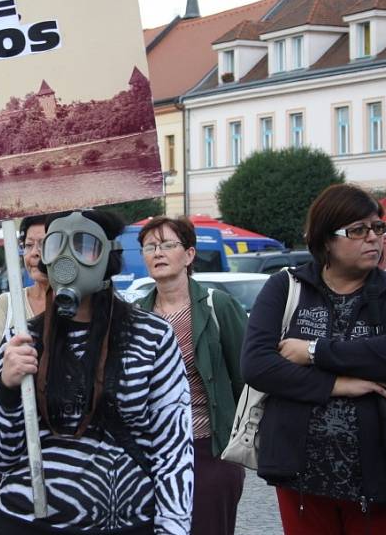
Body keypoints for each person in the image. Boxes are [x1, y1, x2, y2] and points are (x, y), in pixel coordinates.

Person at [0, 209, 193, 534]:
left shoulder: (152, 337)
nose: (69, 258)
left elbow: (173, 449)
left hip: (123, 523)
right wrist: (6, 390)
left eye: (85, 245)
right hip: (27, 522)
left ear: (108, 258)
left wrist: (172, 529)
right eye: (57, 246)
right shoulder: (22, 340)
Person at [242, 183, 386, 534]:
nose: (372, 238)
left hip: (381, 474)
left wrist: (313, 351)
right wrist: (340, 384)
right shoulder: (286, 286)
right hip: (301, 475)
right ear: (326, 239)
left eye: (377, 227)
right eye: (357, 230)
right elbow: (258, 365)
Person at [136, 216, 247, 535]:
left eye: (168, 245)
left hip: (208, 449)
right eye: (150, 247)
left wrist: (237, 446)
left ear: (189, 254)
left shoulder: (217, 306)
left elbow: (246, 378)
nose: (158, 253)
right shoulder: (137, 316)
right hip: (152, 452)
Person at [0, 214, 49, 405]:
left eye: (43, 245)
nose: (34, 253)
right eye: (29, 245)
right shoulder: (6, 304)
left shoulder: (78, 305)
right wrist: (2, 404)